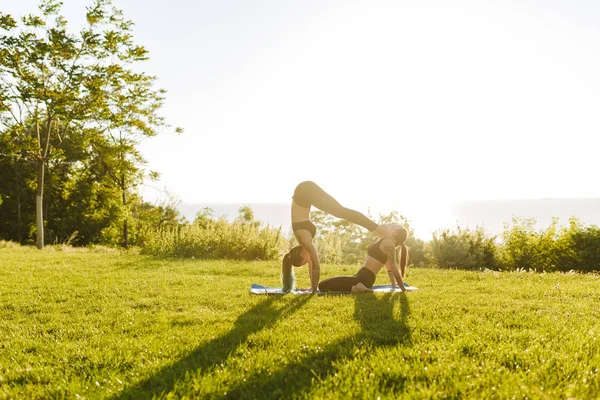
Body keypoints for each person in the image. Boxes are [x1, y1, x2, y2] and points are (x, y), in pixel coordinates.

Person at [281, 181, 401, 293]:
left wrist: (313, 292)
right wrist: (313, 287)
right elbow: (312, 265)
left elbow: (316, 266)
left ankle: (380, 230)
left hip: (304, 191)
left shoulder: (305, 240)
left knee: (342, 212)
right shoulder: (304, 244)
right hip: (305, 194)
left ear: (302, 255)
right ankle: (379, 231)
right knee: (341, 212)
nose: (309, 261)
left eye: (305, 261)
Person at [318, 227, 409, 293]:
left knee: (322, 285)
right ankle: (359, 287)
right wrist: (393, 286)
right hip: (361, 276)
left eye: (395, 227)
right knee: (323, 285)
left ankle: (361, 287)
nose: (392, 227)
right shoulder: (386, 241)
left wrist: (402, 288)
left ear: (396, 233)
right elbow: (390, 269)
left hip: (365, 278)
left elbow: (392, 267)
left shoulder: (389, 243)